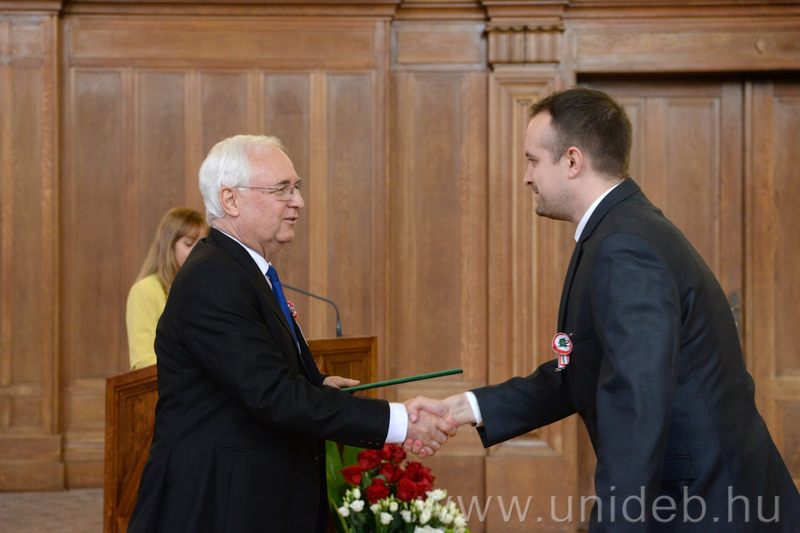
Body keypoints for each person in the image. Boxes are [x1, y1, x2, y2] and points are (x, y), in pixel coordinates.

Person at [406, 88, 800, 531]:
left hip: (710, 505)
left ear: (572, 161)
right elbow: (582, 369)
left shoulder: (623, 246)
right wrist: (463, 408)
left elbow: (635, 403)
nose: (526, 177)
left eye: (533, 160)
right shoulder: (618, 230)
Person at [127, 135, 455, 533]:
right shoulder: (213, 277)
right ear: (230, 200)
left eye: (296, 187)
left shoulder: (243, 271)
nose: (298, 201)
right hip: (219, 505)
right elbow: (271, 395)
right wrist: (400, 421)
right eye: (281, 189)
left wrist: (317, 385)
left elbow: (257, 378)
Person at [126, 207, 209, 370]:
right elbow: (144, 362)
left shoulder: (207, 290)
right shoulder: (145, 290)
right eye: (189, 243)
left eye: (203, 244)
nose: (198, 252)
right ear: (169, 246)